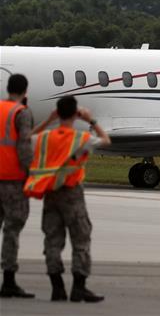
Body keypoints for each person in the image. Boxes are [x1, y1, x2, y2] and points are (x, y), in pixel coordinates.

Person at [26, 95, 110, 303]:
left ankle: (57, 288)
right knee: (81, 239)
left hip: (50, 193)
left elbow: (26, 138)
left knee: (52, 241)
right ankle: (79, 288)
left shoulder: (45, 137)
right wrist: (91, 121)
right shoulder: (81, 138)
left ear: (57, 112)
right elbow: (106, 140)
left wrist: (48, 121)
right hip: (72, 194)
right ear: (76, 114)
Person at [0, 73, 34, 299]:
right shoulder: (21, 113)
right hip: (11, 181)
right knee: (11, 230)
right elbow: (24, 147)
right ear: (24, 91)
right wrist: (29, 174)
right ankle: (9, 281)